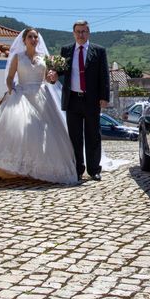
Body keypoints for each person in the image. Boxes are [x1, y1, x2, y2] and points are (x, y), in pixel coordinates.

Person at [0, 28, 77, 184]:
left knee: (43, 133)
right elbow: (10, 78)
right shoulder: (18, 57)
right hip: (21, 95)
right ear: (24, 40)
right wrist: (11, 89)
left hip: (41, 96)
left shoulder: (44, 58)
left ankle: (38, 167)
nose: (33, 39)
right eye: (30, 37)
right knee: (19, 130)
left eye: (35, 37)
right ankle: (15, 166)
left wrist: (51, 77)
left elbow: (47, 79)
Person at [50, 20, 109, 182]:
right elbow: (59, 70)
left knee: (93, 136)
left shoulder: (99, 51)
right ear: (73, 33)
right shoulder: (66, 50)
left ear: (88, 32)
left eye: (83, 31)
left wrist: (104, 97)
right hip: (72, 100)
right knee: (74, 138)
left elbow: (104, 75)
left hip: (92, 100)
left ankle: (94, 170)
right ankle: (77, 169)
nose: (81, 35)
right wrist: (54, 75)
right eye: (78, 31)